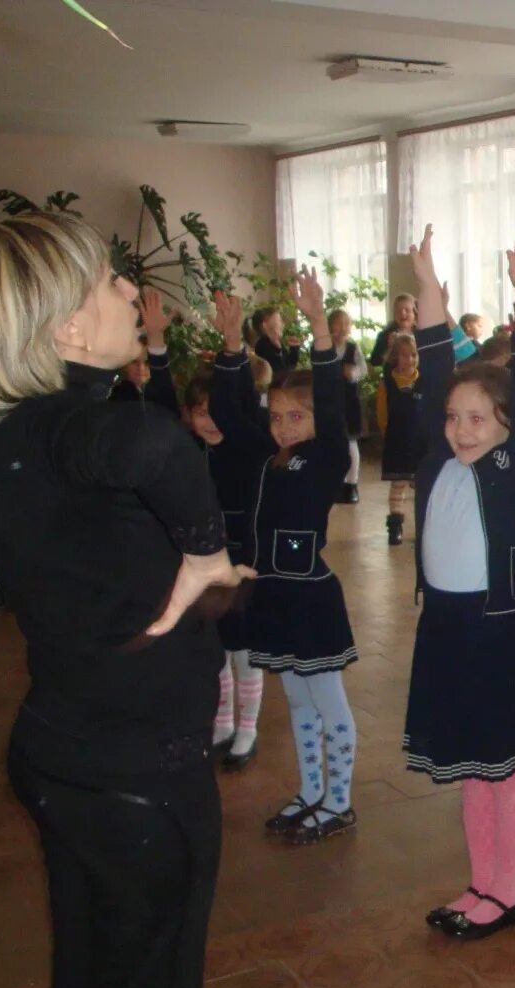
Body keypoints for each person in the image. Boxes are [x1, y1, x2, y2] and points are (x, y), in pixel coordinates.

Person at [0, 209, 251, 988]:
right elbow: (159, 453)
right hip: (135, 778)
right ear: (63, 329)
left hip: (73, 753)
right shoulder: (74, 423)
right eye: (108, 284)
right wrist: (201, 545)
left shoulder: (21, 430)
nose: (130, 297)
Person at [405, 224, 515, 940]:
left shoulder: (514, 466)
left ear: (505, 425)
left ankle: (509, 889)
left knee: (509, 772)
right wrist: (430, 294)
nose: (460, 428)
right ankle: (480, 883)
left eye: (477, 418)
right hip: (446, 632)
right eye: (452, 417)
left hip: (500, 634)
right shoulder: (440, 463)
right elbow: (436, 372)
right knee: (475, 769)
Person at [209, 277, 360, 845]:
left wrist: (319, 325)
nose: (281, 426)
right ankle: (310, 790)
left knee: (327, 701)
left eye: (294, 418)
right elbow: (228, 406)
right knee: (297, 701)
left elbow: (328, 397)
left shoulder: (321, 461)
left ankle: (339, 802)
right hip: (273, 595)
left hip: (310, 598)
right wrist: (231, 343)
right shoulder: (264, 459)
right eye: (276, 416)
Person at [142, 293, 268, 774]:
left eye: (215, 411)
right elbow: (157, 408)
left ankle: (248, 728)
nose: (208, 420)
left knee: (242, 650)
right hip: (201, 567)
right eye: (199, 412)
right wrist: (155, 344)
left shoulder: (246, 447)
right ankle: (221, 723)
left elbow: (233, 409)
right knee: (214, 648)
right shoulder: (188, 451)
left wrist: (233, 342)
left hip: (242, 563)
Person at [376, 331, 423, 545]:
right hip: (398, 439)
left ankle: (424, 526)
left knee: (422, 485)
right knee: (398, 485)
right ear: (396, 357)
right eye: (405, 355)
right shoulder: (388, 382)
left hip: (419, 441)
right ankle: (395, 525)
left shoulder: (423, 381)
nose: (410, 360)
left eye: (413, 355)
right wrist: (386, 431)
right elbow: (382, 413)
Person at [328, 307, 366, 504]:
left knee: (351, 442)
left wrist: (352, 373)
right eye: (338, 323)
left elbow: (363, 370)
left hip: (349, 402)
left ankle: (352, 483)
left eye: (346, 323)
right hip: (330, 401)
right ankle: (335, 483)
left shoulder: (353, 348)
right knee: (333, 442)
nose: (342, 328)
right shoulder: (324, 347)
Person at [251, 305, 301, 383]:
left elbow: (290, 367)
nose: (282, 324)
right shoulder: (262, 345)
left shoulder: (279, 345)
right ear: (265, 325)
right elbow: (279, 373)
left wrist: (294, 349)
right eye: (279, 321)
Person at [369, 291, 418, 368]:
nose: (403, 313)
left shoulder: (422, 334)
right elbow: (374, 361)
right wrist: (389, 348)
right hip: (392, 378)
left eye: (407, 310)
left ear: (414, 314)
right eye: (398, 311)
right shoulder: (385, 335)